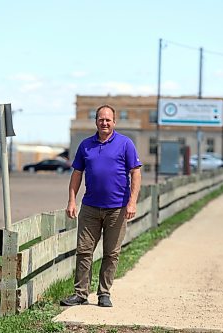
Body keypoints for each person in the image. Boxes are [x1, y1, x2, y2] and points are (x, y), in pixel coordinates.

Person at [60, 104, 142, 308]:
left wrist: (132, 202)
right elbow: (77, 174)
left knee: (111, 253)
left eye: (108, 120)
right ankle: (80, 293)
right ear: (96, 121)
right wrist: (72, 200)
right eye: (100, 119)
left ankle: (104, 293)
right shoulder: (85, 145)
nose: (104, 123)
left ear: (114, 122)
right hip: (90, 207)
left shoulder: (125, 144)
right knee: (84, 251)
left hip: (117, 208)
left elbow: (136, 173)